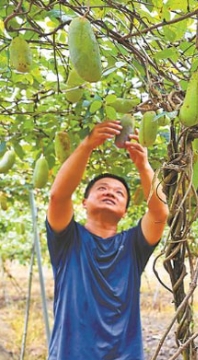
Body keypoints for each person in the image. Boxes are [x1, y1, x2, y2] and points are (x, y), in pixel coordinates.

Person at [46, 120, 169, 359]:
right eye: (102, 188)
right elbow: (58, 197)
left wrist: (144, 166)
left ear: (124, 211)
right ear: (84, 203)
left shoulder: (134, 246)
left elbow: (160, 213)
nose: (111, 192)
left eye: (119, 192)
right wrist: (87, 145)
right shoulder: (68, 240)